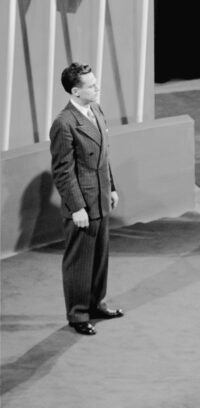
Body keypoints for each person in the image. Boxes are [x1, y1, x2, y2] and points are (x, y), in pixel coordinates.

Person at [49, 63, 124, 336]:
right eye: (91, 85)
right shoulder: (64, 123)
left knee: (100, 258)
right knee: (79, 262)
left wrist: (112, 187)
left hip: (101, 197)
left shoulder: (96, 110)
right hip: (82, 205)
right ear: (76, 91)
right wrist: (77, 206)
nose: (97, 87)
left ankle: (96, 304)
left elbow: (103, 157)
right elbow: (63, 171)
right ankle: (78, 314)